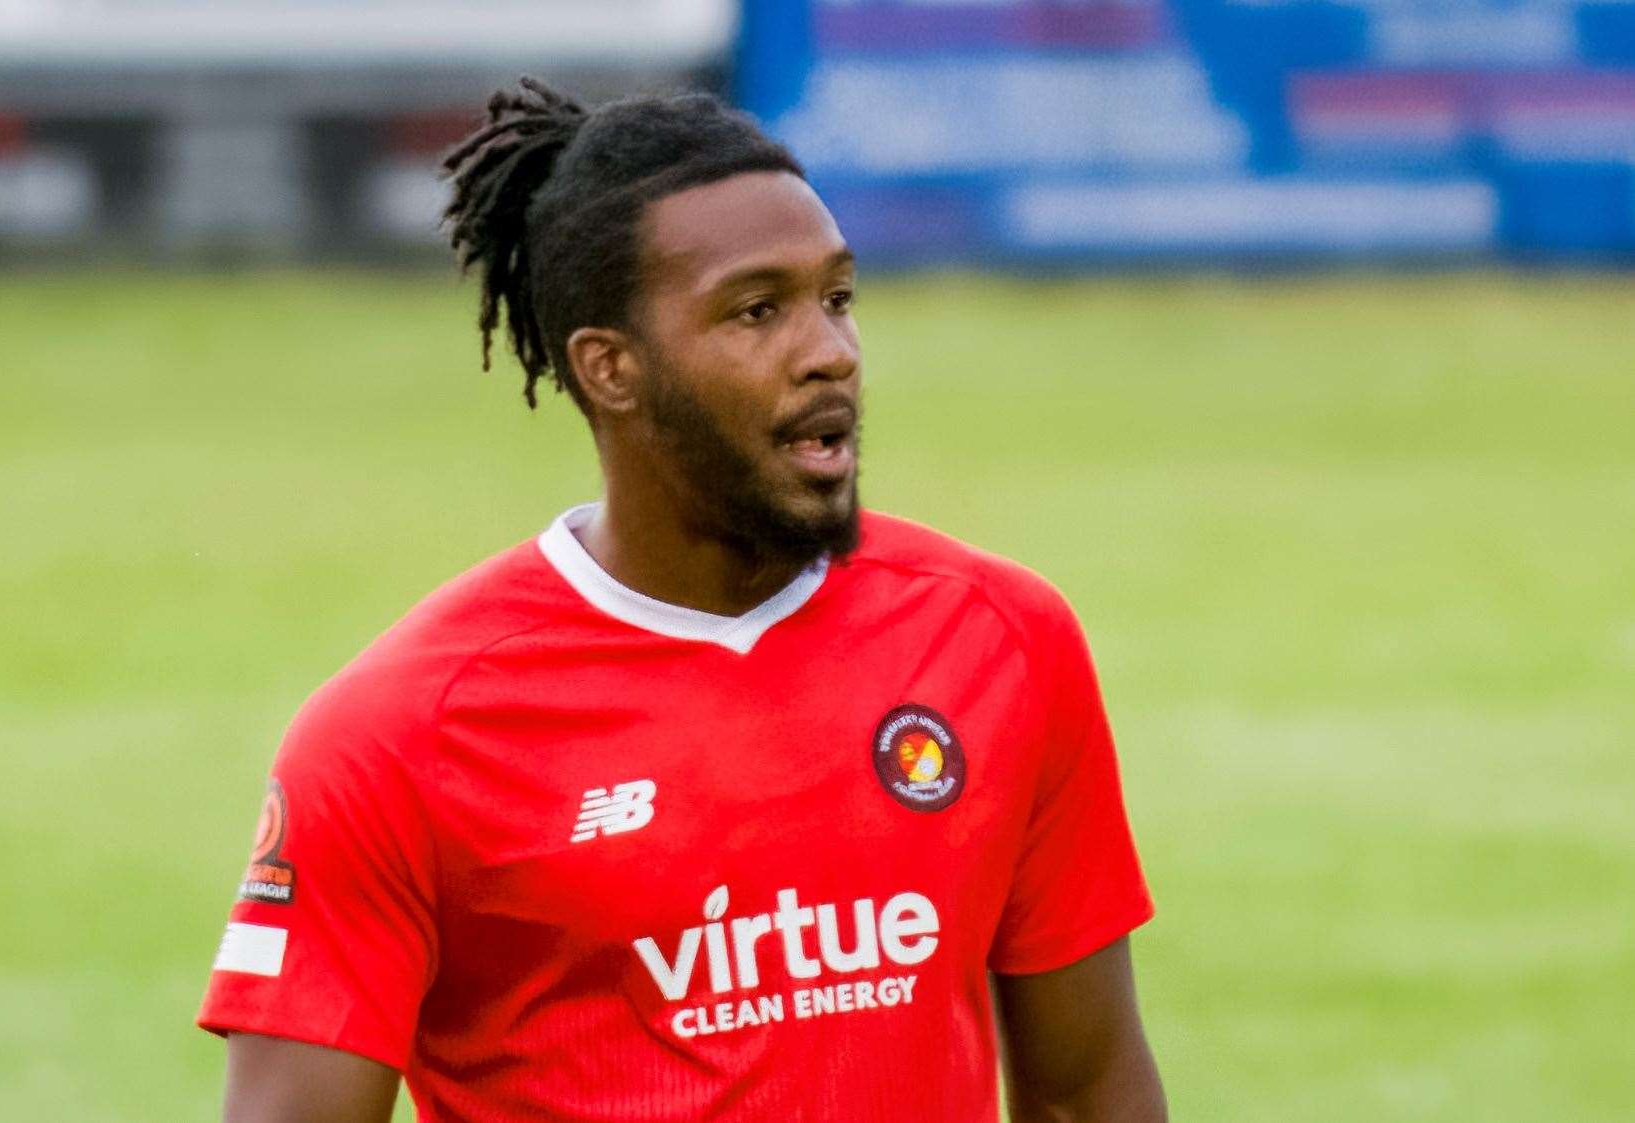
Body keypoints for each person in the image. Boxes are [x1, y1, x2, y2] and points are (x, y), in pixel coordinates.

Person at [198, 77, 1166, 1123]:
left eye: (836, 299)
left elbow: (1084, 1094)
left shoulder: (1001, 643)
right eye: (758, 311)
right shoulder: (397, 738)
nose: (830, 352)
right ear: (611, 368)